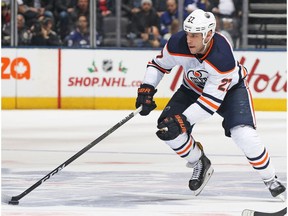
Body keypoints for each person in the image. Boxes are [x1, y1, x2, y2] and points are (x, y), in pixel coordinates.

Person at [135, 9, 286, 199]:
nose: (189, 39)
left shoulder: (222, 57)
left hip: (231, 91)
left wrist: (184, 120)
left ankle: (270, 179)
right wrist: (147, 88)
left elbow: (210, 102)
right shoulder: (177, 43)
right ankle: (199, 162)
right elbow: (158, 65)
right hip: (191, 89)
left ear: (208, 34)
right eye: (188, 33)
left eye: (195, 35)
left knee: (243, 134)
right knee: (168, 129)